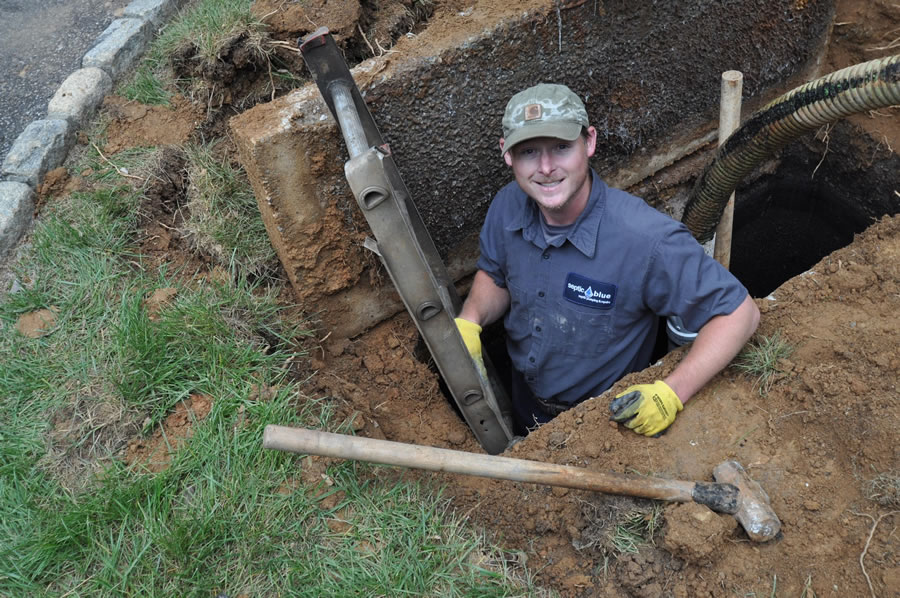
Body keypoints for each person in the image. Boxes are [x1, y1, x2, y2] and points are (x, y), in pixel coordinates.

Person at [454, 83, 760, 437]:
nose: (546, 167)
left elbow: (740, 313)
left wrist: (671, 393)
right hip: (525, 399)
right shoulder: (507, 205)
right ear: (507, 155)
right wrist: (470, 319)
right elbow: (495, 274)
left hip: (603, 425)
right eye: (529, 152)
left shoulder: (644, 239)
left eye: (562, 147)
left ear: (590, 142)